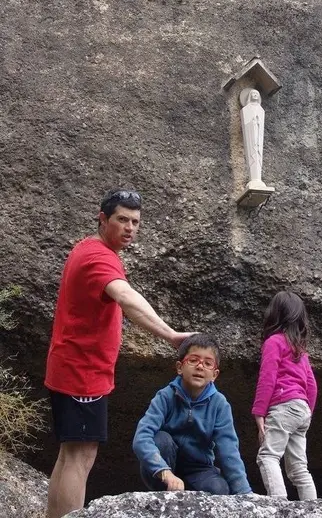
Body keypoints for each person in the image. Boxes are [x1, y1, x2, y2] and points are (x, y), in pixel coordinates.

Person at [44, 189, 192, 518]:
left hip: (71, 367)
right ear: (102, 219)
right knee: (81, 458)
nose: (130, 228)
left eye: (135, 222)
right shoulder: (99, 257)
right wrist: (169, 334)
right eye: (122, 220)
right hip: (82, 374)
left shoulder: (89, 247)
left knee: (69, 454)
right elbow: (125, 297)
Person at [133, 332, 251, 495]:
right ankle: (163, 495)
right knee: (161, 439)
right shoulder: (165, 396)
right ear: (180, 367)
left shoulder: (219, 404)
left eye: (208, 363)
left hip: (200, 470)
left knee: (220, 489)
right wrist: (164, 471)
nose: (200, 366)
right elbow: (142, 437)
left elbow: (229, 451)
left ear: (214, 375)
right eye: (193, 360)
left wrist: (245, 494)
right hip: (164, 470)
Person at [252, 290, 317, 500]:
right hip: (302, 408)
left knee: (268, 456)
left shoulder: (274, 342)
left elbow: (267, 378)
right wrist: (307, 413)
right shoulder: (300, 350)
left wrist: (259, 412)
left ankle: (279, 506)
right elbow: (312, 385)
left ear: (275, 314)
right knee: (299, 468)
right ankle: (314, 510)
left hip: (283, 405)